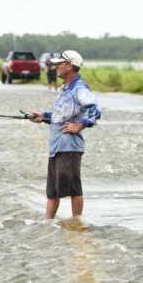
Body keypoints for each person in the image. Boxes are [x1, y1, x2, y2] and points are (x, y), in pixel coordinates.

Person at [30, 50, 102, 219]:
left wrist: (80, 125)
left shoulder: (79, 88)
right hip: (56, 146)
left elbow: (95, 109)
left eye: (59, 63)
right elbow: (60, 115)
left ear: (69, 66)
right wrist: (43, 117)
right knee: (52, 192)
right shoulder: (65, 88)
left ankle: (77, 225)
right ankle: (47, 225)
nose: (56, 66)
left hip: (69, 147)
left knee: (73, 189)